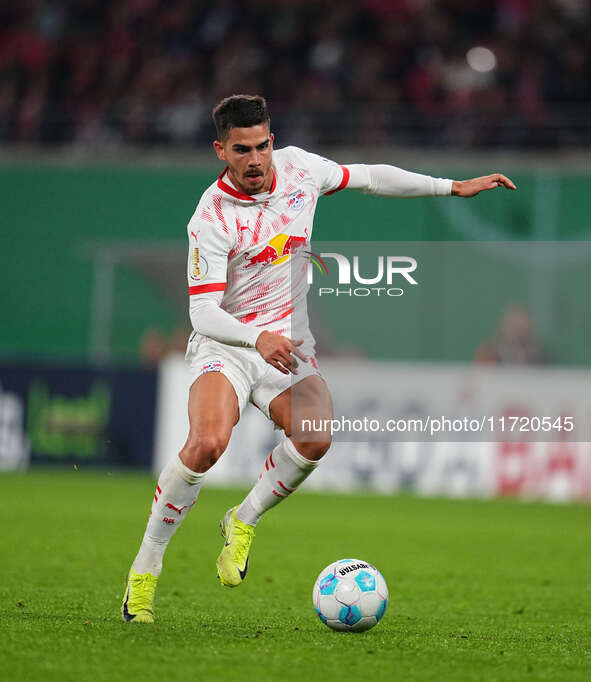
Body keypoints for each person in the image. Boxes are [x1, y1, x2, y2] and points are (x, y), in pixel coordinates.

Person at [121, 94, 516, 623]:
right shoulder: (210, 217)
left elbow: (372, 176)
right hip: (231, 346)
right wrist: (255, 338)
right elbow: (202, 314)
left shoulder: (302, 170)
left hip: (287, 346)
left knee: (314, 437)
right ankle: (144, 572)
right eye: (242, 150)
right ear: (221, 151)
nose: (256, 159)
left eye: (263, 145)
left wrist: (451, 186)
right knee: (208, 443)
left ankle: (243, 519)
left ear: (273, 140)